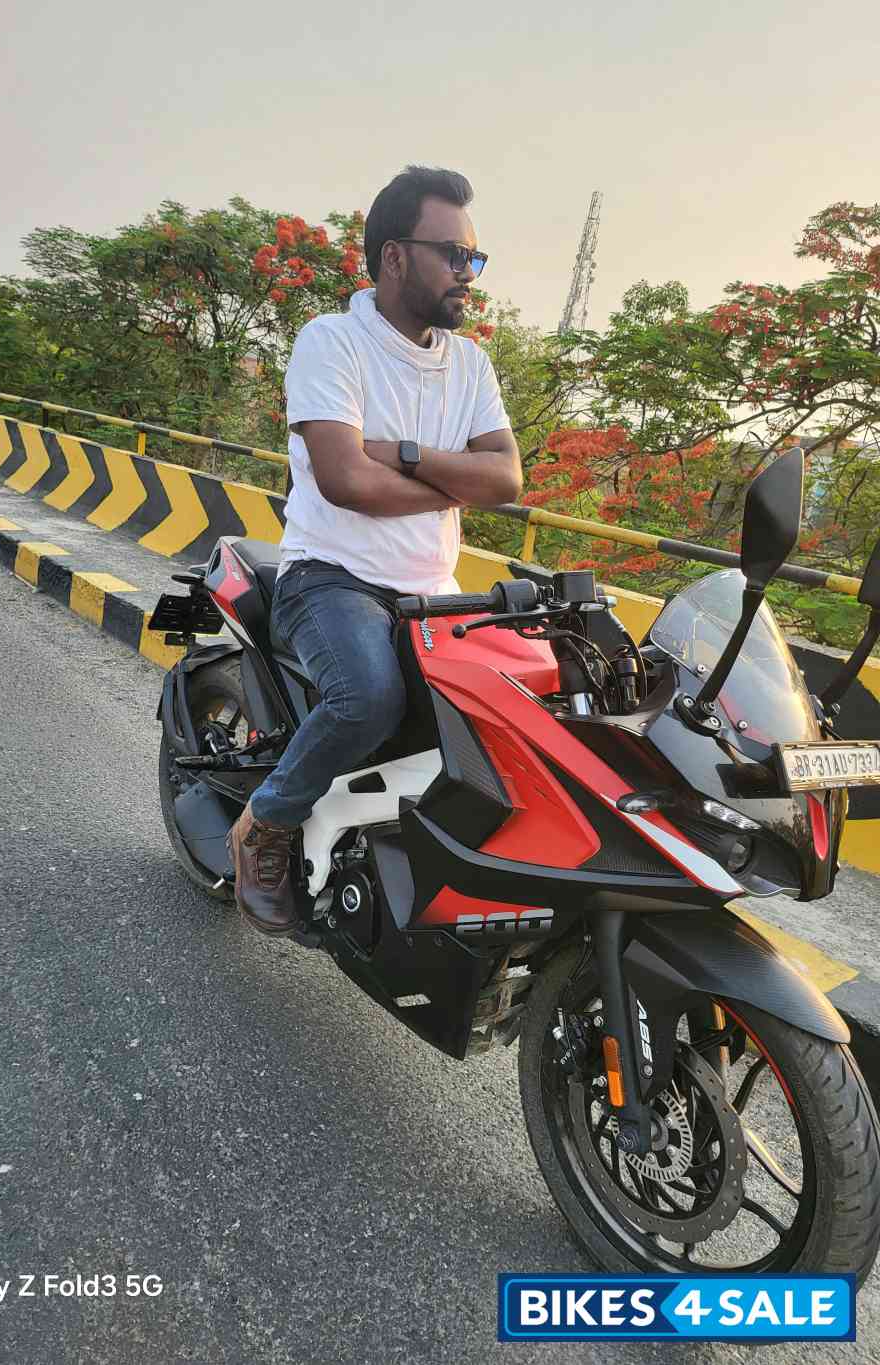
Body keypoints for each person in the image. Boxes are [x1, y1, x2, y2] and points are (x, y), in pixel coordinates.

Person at [229, 166, 522, 935]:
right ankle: (264, 825)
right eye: (452, 255)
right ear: (395, 256)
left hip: (433, 588)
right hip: (332, 578)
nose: (468, 275)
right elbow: (345, 481)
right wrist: (455, 483)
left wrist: (410, 455)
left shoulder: (471, 363)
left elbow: (508, 477)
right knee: (368, 695)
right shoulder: (332, 343)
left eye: (473, 259)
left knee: (517, 710)